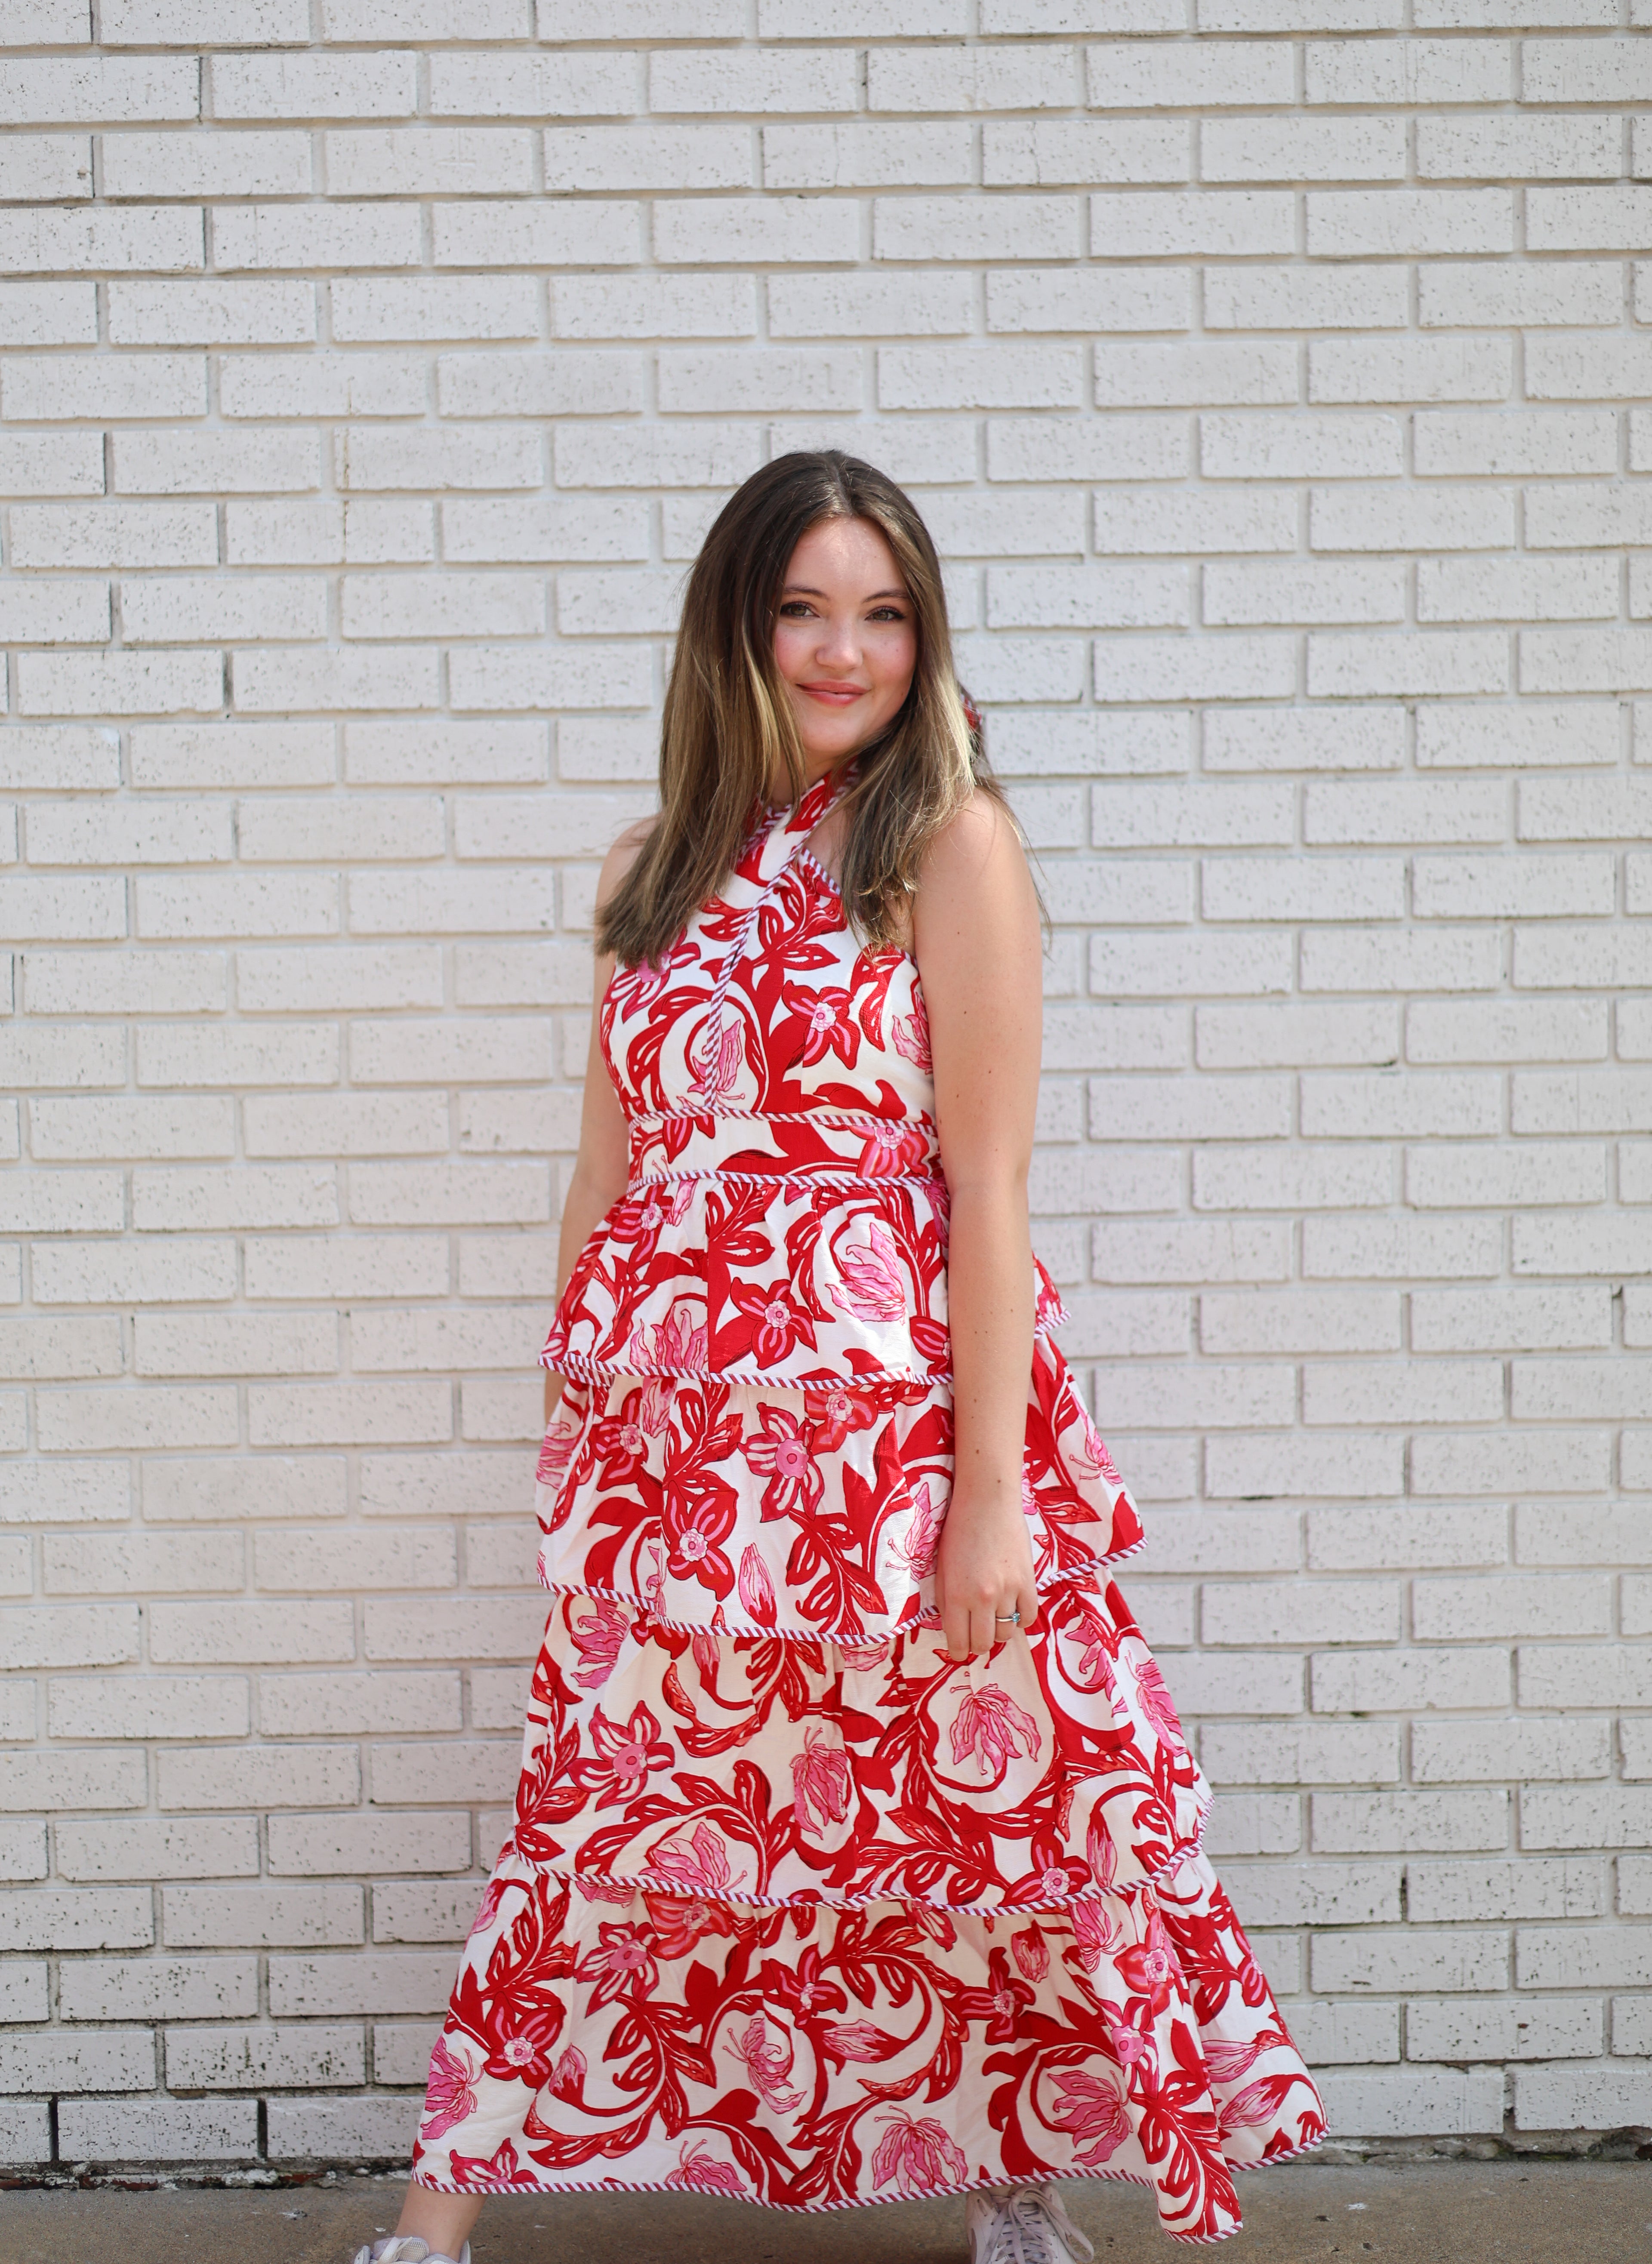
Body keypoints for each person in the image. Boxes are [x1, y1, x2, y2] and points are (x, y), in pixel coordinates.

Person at [352, 450, 1323, 2264]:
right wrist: (577, 1420)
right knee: (597, 1814)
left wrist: (992, 1502)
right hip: (673, 1461)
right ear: (740, 621)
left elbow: (988, 1186)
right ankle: (440, 2220)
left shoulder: (948, 840)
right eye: (804, 605)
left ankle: (1010, 2189)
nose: (842, 647)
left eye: (882, 612)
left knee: (954, 1816)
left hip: (883, 1443)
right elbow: (606, 1169)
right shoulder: (651, 869)